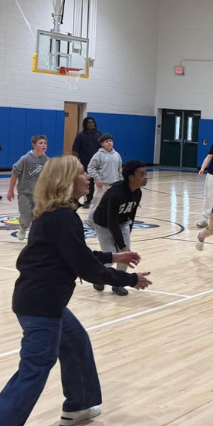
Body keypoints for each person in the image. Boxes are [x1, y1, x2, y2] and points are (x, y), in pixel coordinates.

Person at [0, 155, 151, 426]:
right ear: (67, 181)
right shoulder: (63, 218)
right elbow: (83, 266)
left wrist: (113, 257)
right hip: (42, 307)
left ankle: (78, 405)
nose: (88, 177)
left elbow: (76, 254)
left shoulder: (55, 217)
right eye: (82, 172)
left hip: (38, 301)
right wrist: (128, 278)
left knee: (75, 341)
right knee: (31, 376)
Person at [91, 160, 149, 297]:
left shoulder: (138, 193)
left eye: (146, 174)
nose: (146, 177)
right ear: (131, 177)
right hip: (103, 224)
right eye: (142, 174)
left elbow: (131, 215)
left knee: (126, 255)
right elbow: (111, 222)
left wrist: (128, 234)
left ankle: (118, 284)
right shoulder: (116, 192)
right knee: (111, 256)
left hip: (122, 223)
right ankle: (97, 276)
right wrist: (121, 245)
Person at [6, 135, 49, 240]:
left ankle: (35, 234)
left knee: (38, 216)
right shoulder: (25, 159)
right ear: (34, 145)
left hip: (39, 195)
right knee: (25, 215)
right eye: (40, 143)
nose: (43, 145)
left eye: (45, 143)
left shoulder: (47, 161)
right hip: (24, 192)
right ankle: (23, 227)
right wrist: (10, 191)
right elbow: (14, 174)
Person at [84, 134, 122, 230]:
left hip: (114, 184)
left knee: (112, 205)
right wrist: (97, 178)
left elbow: (119, 170)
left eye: (110, 141)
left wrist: (120, 182)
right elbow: (91, 167)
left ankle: (108, 221)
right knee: (97, 203)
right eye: (106, 141)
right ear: (102, 144)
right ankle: (90, 222)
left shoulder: (117, 155)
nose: (109, 142)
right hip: (102, 185)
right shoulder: (98, 155)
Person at [71, 116, 102, 206]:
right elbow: (75, 149)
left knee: (98, 181)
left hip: (98, 162)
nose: (91, 124)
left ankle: (98, 199)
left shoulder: (99, 134)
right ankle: (88, 200)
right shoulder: (81, 135)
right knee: (88, 181)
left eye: (92, 122)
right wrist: (75, 162)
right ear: (85, 124)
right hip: (85, 161)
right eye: (88, 122)